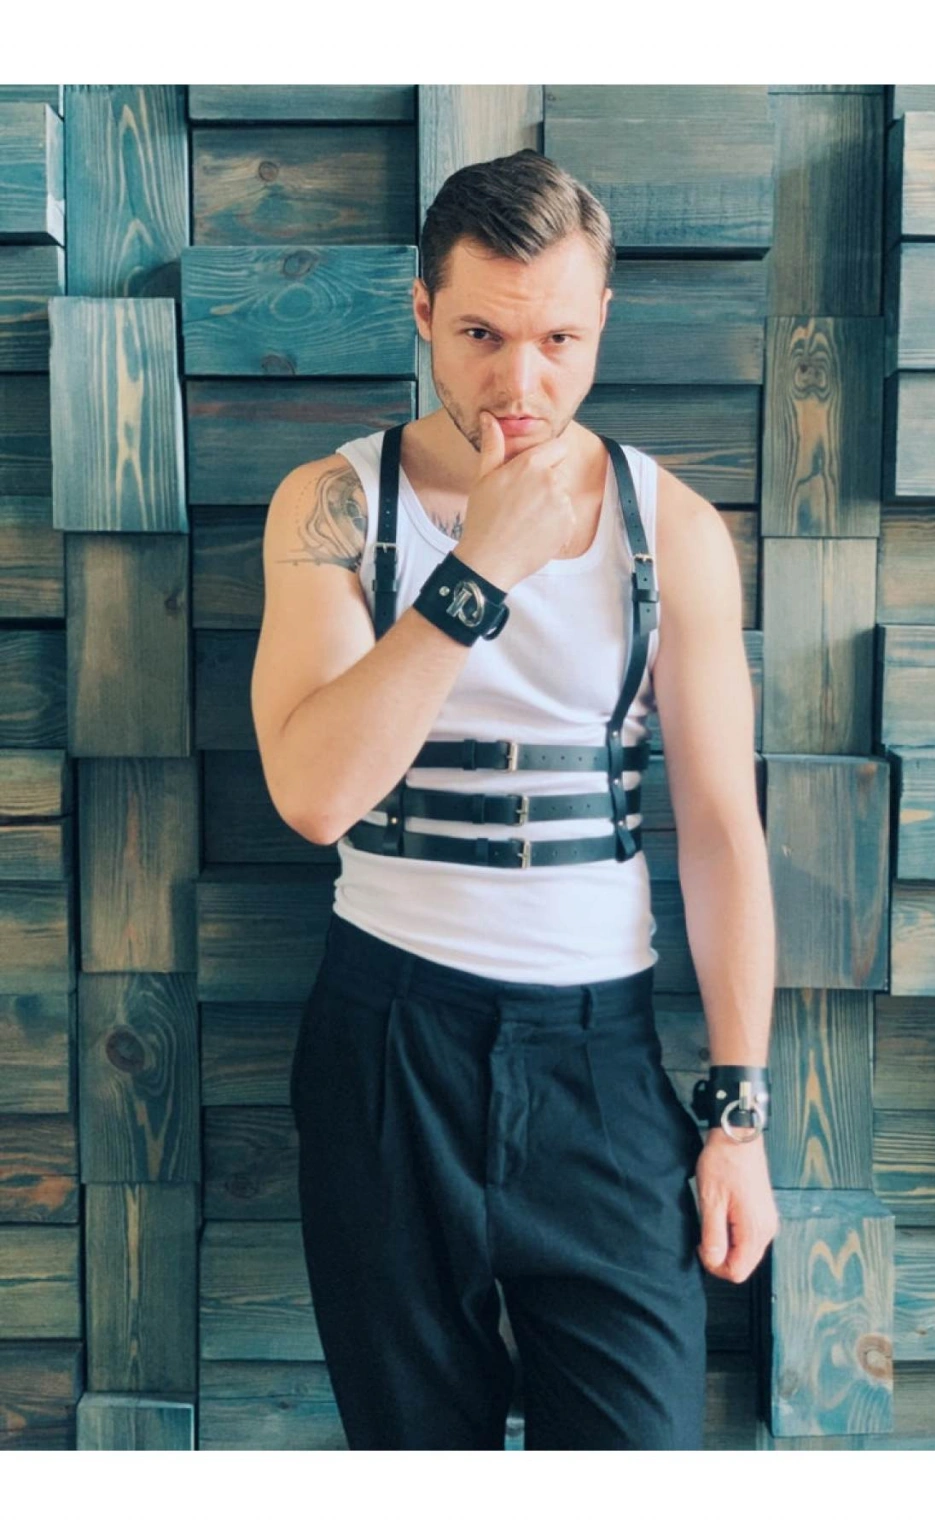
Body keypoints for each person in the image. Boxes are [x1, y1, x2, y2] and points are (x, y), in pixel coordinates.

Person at [251, 148, 779, 1450]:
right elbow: (313, 797)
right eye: (482, 335)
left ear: (603, 318)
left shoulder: (672, 529)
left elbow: (721, 834)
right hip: (388, 1046)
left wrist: (739, 1118)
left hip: (600, 1060)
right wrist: (478, 567)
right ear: (424, 311)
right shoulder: (335, 505)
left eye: (558, 339)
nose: (521, 381)